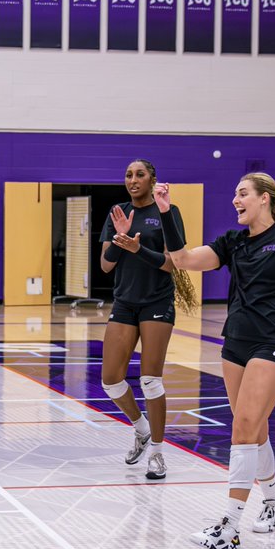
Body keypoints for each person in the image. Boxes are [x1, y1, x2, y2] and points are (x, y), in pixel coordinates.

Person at [154, 173, 275, 549]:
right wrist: (167, 212)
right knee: (254, 428)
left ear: (264, 199)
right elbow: (184, 259)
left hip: (274, 342)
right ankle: (273, 502)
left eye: (242, 194)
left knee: (244, 425)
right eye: (235, 194)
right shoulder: (233, 241)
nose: (235, 200)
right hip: (235, 343)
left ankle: (229, 527)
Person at [99, 160, 198, 480]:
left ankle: (157, 452)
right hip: (125, 303)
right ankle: (141, 429)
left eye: (140, 174)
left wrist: (138, 248)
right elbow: (105, 265)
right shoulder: (117, 212)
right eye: (128, 174)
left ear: (153, 179)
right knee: (110, 380)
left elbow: (172, 264)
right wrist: (120, 238)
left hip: (157, 302)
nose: (132, 179)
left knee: (150, 380)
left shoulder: (167, 211)